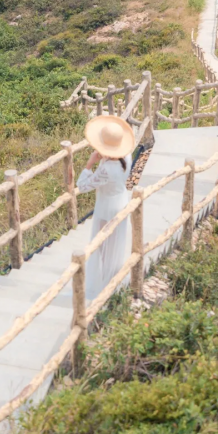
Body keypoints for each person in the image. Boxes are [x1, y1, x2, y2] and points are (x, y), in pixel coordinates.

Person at [76, 115, 136, 300]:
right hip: (121, 200)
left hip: (107, 208)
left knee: (102, 247)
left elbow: (83, 186)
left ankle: (105, 287)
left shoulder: (106, 169)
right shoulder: (126, 156)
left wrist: (90, 163)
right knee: (114, 246)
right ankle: (112, 283)